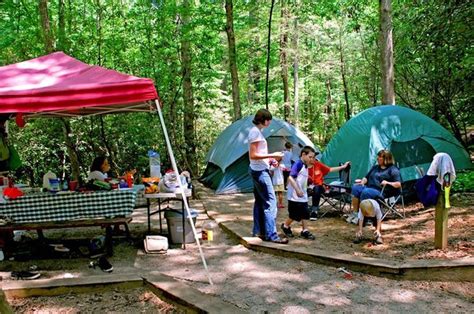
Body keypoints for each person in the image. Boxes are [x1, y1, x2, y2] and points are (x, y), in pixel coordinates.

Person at [248, 109, 287, 244]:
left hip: (258, 169)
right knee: (271, 203)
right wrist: (273, 155)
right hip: (260, 172)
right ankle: (272, 235)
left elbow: (258, 155)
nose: (270, 122)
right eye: (268, 119)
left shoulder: (257, 132)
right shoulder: (255, 133)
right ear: (263, 120)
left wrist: (270, 161)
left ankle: (259, 231)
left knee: (260, 201)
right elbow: (253, 155)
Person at [348, 149, 401, 224]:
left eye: (380, 157)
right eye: (378, 156)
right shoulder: (375, 167)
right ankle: (356, 213)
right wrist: (362, 182)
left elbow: (398, 184)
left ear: (386, 159)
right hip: (370, 188)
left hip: (382, 191)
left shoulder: (393, 169)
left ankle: (366, 217)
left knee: (366, 192)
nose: (377, 158)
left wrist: (388, 182)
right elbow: (366, 177)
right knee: (355, 188)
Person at [280, 146, 317, 240]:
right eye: (310, 157)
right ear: (303, 155)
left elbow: (301, 178)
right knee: (294, 215)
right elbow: (291, 177)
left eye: (313, 157)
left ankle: (305, 230)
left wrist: (308, 185)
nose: (311, 159)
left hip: (303, 195)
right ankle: (285, 226)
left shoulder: (305, 166)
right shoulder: (298, 164)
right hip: (294, 196)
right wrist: (297, 190)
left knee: (305, 213)